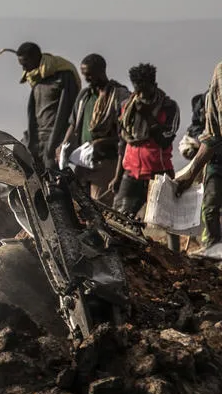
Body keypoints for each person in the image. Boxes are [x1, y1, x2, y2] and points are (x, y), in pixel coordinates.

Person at [112, 63, 179, 219]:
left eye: (144, 90)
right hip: (131, 172)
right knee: (119, 217)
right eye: (137, 90)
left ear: (153, 85)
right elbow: (122, 143)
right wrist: (117, 176)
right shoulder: (126, 107)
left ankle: (169, 245)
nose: (140, 95)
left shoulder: (169, 107)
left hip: (159, 172)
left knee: (167, 221)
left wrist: (148, 116)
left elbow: (164, 140)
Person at [61, 54, 130, 202]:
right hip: (83, 161)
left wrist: (101, 142)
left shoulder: (119, 95)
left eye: (90, 75)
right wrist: (64, 145)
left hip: (106, 160)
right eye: (85, 76)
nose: (87, 80)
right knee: (76, 202)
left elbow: (127, 133)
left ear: (101, 71)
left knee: (100, 204)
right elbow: (73, 123)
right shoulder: (85, 96)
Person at [173, 59, 222, 249]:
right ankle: (212, 247)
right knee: (210, 207)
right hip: (217, 161)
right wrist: (191, 173)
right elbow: (213, 134)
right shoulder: (219, 74)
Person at [15, 42, 80, 175]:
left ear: (35, 57)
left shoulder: (64, 76)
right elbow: (32, 113)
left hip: (56, 139)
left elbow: (65, 111)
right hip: (37, 139)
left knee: (54, 179)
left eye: (25, 63)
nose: (24, 68)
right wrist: (31, 140)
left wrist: (54, 143)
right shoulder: (37, 78)